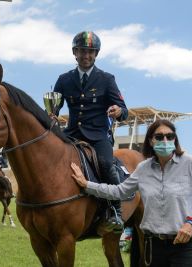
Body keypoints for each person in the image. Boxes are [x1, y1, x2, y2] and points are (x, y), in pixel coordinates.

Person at [71, 119, 192, 266]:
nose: (165, 140)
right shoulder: (143, 168)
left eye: (170, 136)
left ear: (175, 139)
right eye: (159, 137)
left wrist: (191, 223)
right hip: (153, 245)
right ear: (151, 141)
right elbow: (119, 191)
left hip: (185, 243)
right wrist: (86, 184)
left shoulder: (191, 164)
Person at [53, 31, 128, 232]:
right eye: (82, 51)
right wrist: (51, 114)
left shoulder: (106, 79)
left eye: (91, 52)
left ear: (96, 54)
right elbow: (54, 108)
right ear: (74, 52)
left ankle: (115, 212)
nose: (86, 55)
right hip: (71, 137)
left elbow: (124, 111)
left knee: (106, 165)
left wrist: (118, 111)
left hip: (97, 137)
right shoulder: (64, 79)